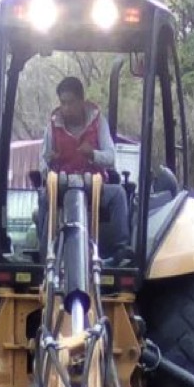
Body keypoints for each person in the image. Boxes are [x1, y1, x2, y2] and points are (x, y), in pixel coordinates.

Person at [39, 75, 130, 259]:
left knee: (119, 194)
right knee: (43, 197)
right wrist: (48, 163)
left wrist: (93, 155)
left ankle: (121, 249)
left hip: (94, 185)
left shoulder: (98, 122)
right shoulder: (53, 126)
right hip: (62, 186)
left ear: (82, 101)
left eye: (70, 103)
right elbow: (42, 162)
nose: (66, 108)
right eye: (62, 103)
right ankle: (44, 253)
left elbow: (111, 158)